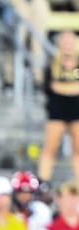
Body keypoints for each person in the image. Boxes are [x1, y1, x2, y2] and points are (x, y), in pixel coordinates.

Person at [38, 31, 79, 184]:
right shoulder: (52, 64)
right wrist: (72, 88)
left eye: (71, 41)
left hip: (77, 111)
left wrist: (63, 88)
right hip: (56, 112)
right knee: (49, 149)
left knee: (78, 152)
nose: (67, 45)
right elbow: (49, 87)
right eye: (65, 41)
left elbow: (58, 87)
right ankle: (43, 182)